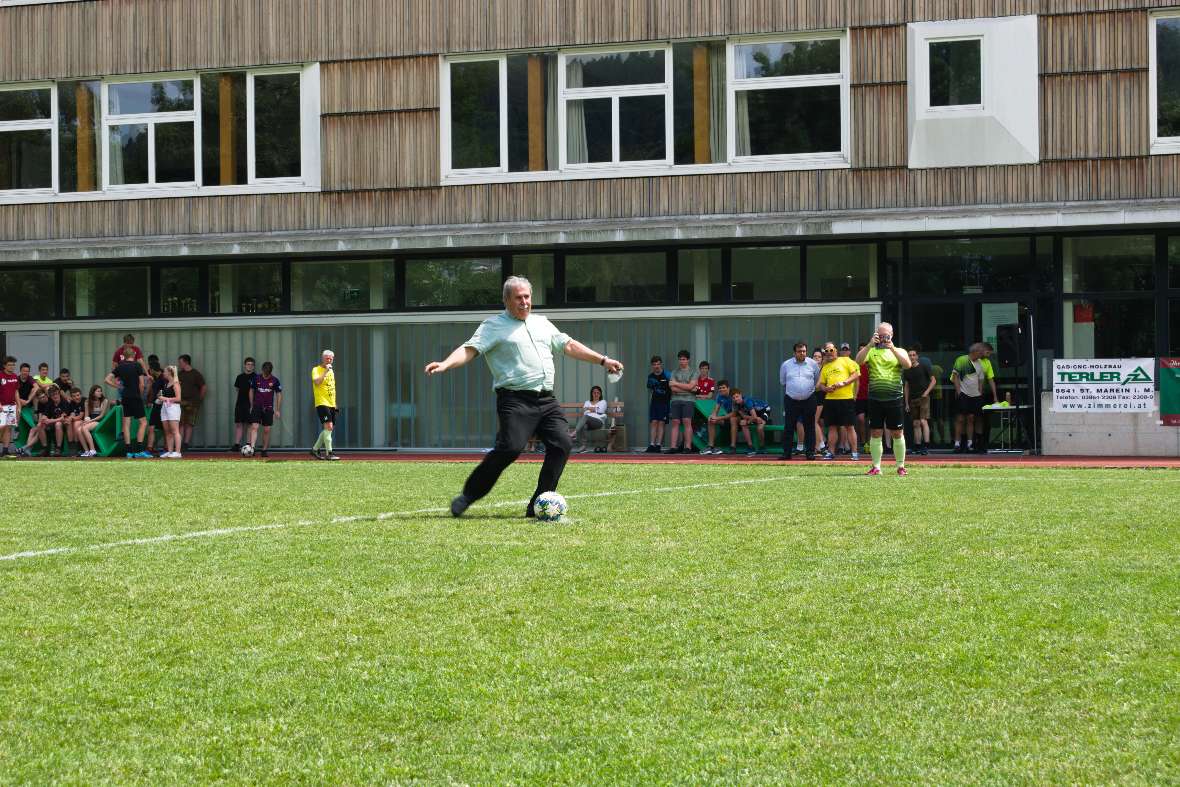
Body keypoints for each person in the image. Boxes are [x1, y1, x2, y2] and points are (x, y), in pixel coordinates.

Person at [426, 275, 623, 518]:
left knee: (562, 443)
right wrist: (445, 364)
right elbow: (470, 350)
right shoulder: (493, 326)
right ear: (506, 300)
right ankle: (468, 495)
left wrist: (603, 360)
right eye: (518, 298)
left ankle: (538, 505)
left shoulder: (542, 323)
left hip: (546, 400)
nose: (524, 302)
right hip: (515, 400)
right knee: (510, 448)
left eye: (527, 297)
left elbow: (569, 345)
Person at [855, 322, 912, 476]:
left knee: (897, 433)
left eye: (886, 335)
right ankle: (876, 467)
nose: (883, 338)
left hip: (895, 398)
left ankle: (900, 467)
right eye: (880, 335)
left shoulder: (899, 350)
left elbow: (907, 365)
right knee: (875, 433)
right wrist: (868, 345)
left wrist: (892, 348)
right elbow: (858, 362)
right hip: (874, 399)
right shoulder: (871, 350)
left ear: (891, 335)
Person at [817, 342, 860, 461]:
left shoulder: (845, 360)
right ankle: (831, 452)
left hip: (846, 399)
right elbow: (820, 385)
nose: (829, 353)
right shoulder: (825, 367)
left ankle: (854, 453)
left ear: (836, 350)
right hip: (830, 400)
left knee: (849, 426)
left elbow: (856, 374)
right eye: (826, 351)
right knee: (832, 427)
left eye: (831, 350)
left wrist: (844, 383)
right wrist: (826, 388)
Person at [106, 351, 151, 458]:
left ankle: (129, 451)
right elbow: (141, 383)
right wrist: (140, 394)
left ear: (124, 356)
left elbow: (107, 379)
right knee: (143, 422)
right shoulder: (137, 365)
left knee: (126, 423)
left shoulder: (120, 367)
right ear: (134, 355)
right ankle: (139, 450)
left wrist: (118, 387)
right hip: (135, 396)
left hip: (125, 397)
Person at [779, 342, 820, 460]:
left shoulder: (813, 364)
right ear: (794, 353)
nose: (802, 353)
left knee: (810, 426)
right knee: (789, 427)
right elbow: (783, 381)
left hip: (809, 399)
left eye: (804, 351)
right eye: (799, 351)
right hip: (791, 400)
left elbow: (816, 379)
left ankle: (810, 453)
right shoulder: (786, 365)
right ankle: (786, 453)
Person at [950, 343, 987, 453]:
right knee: (960, 419)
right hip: (963, 394)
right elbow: (955, 377)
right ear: (974, 351)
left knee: (971, 418)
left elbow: (981, 380)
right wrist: (959, 392)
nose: (982, 353)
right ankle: (957, 444)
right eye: (980, 351)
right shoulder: (961, 360)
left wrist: (980, 393)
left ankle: (970, 443)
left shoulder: (981, 363)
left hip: (975, 396)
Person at [903, 349, 936, 456]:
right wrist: (906, 403)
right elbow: (906, 386)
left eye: (913, 355)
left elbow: (933, 380)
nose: (912, 357)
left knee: (923, 421)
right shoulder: (907, 369)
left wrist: (926, 393)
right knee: (915, 423)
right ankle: (917, 446)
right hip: (913, 399)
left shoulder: (923, 366)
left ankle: (926, 446)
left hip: (923, 398)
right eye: (910, 355)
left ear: (917, 356)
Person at [247, 362, 282, 458]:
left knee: (267, 429)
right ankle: (252, 449)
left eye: (268, 372)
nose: (266, 374)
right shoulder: (256, 378)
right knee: (254, 427)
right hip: (257, 406)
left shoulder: (275, 380)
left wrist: (278, 409)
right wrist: (251, 405)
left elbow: (279, 394)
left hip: (268, 408)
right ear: (262, 370)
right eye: (265, 371)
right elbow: (251, 390)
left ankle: (264, 450)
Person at [667, 350, 699, 454]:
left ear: (688, 360)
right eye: (680, 359)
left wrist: (676, 383)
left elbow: (690, 385)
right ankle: (673, 447)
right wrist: (689, 389)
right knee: (675, 422)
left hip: (689, 400)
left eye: (684, 359)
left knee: (686, 422)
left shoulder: (694, 372)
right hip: (675, 400)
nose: (682, 361)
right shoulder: (674, 372)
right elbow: (673, 389)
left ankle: (688, 447)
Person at [310, 350, 340, 460]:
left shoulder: (332, 372)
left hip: (331, 403)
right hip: (321, 402)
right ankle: (329, 453)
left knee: (329, 429)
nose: (329, 360)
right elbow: (317, 382)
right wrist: (325, 371)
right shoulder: (316, 369)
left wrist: (335, 403)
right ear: (323, 358)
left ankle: (315, 449)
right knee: (329, 426)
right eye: (327, 358)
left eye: (331, 358)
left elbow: (332, 388)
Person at [177, 354, 206, 452]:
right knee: (180, 423)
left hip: (192, 402)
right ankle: (179, 443)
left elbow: (203, 387)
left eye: (180, 362)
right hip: (180, 402)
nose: (179, 364)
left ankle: (186, 443)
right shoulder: (179, 374)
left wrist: (199, 400)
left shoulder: (195, 374)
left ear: (186, 362)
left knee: (189, 423)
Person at [156, 365, 183, 459]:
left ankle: (178, 452)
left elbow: (179, 398)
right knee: (167, 431)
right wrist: (160, 398)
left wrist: (165, 398)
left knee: (175, 431)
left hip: (173, 408)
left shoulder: (176, 384)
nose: (163, 373)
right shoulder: (166, 384)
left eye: (165, 372)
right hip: (165, 407)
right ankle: (170, 451)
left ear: (169, 373)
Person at [645, 356, 671, 453]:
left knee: (661, 423)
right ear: (652, 365)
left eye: (658, 364)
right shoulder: (650, 376)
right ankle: (652, 444)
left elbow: (672, 388)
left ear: (661, 364)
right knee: (654, 423)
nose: (656, 366)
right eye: (654, 364)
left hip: (665, 403)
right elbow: (650, 389)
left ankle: (658, 445)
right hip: (654, 403)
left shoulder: (667, 375)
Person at [231, 357, 258, 452]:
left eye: (251, 364)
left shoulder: (256, 377)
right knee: (239, 424)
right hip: (240, 403)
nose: (249, 366)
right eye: (248, 364)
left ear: (254, 367)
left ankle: (248, 444)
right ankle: (237, 444)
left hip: (251, 404)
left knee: (250, 424)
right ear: (244, 365)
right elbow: (237, 389)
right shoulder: (240, 377)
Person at [703, 379, 735, 455]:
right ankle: (710, 446)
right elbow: (716, 409)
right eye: (720, 388)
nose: (721, 389)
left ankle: (733, 446)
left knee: (733, 419)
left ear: (728, 388)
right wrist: (712, 416)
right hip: (727, 418)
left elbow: (734, 414)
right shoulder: (719, 396)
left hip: (738, 418)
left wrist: (718, 418)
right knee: (711, 420)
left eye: (723, 387)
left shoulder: (733, 395)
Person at [730, 388, 766, 456]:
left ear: (741, 395)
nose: (736, 399)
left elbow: (754, 416)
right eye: (733, 398)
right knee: (743, 422)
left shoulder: (747, 401)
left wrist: (751, 420)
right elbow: (744, 416)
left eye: (737, 396)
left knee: (760, 428)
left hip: (763, 410)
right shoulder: (735, 404)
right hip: (754, 414)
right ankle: (750, 447)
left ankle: (762, 446)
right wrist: (750, 419)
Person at [573, 385, 608, 454]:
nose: (596, 394)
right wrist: (595, 409)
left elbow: (601, 411)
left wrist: (589, 408)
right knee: (584, 425)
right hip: (588, 423)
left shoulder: (603, 402)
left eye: (598, 393)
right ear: (591, 394)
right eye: (594, 393)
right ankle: (584, 446)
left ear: (600, 394)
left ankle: (574, 433)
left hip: (598, 422)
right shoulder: (587, 402)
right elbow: (585, 411)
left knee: (586, 417)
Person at [78, 385, 109, 458]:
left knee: (84, 428)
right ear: (93, 393)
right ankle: (86, 451)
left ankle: (92, 449)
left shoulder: (105, 401)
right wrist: (86, 420)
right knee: (79, 430)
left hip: (100, 421)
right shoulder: (87, 401)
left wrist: (90, 421)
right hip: (91, 421)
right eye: (98, 391)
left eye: (100, 391)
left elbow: (101, 415)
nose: (100, 392)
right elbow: (86, 415)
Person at [144, 360, 166, 456]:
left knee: (165, 428)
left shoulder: (164, 379)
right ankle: (149, 448)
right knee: (151, 426)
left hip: (163, 406)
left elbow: (166, 391)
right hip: (155, 406)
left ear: (152, 370)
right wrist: (150, 401)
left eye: (149, 370)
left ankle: (167, 448)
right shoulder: (155, 379)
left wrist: (161, 399)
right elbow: (153, 392)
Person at [0, 356, 20, 458]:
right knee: (1, 427)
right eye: (10, 365)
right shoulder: (0, 375)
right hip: (2, 406)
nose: (12, 367)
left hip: (12, 406)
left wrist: (19, 406)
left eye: (13, 365)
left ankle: (5, 451)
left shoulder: (15, 377)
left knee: (8, 428)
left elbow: (16, 392)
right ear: (4, 366)